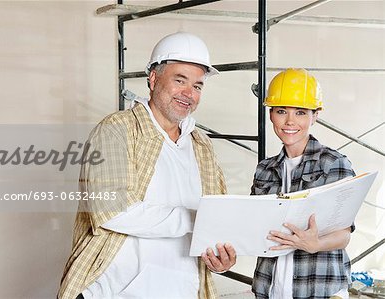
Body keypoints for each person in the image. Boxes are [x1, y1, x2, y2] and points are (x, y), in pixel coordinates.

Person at [58, 32, 236, 299]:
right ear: (153, 79)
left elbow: (216, 218)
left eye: (198, 86)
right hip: (114, 293)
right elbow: (111, 210)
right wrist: (194, 217)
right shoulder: (117, 131)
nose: (189, 94)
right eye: (180, 80)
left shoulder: (201, 145)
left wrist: (218, 259)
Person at [250, 68, 356, 299]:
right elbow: (254, 227)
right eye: (281, 111)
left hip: (319, 289)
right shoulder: (264, 170)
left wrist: (315, 243)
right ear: (270, 114)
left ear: (314, 116)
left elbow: (344, 234)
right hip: (271, 288)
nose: (289, 121)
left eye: (300, 112)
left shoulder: (334, 164)